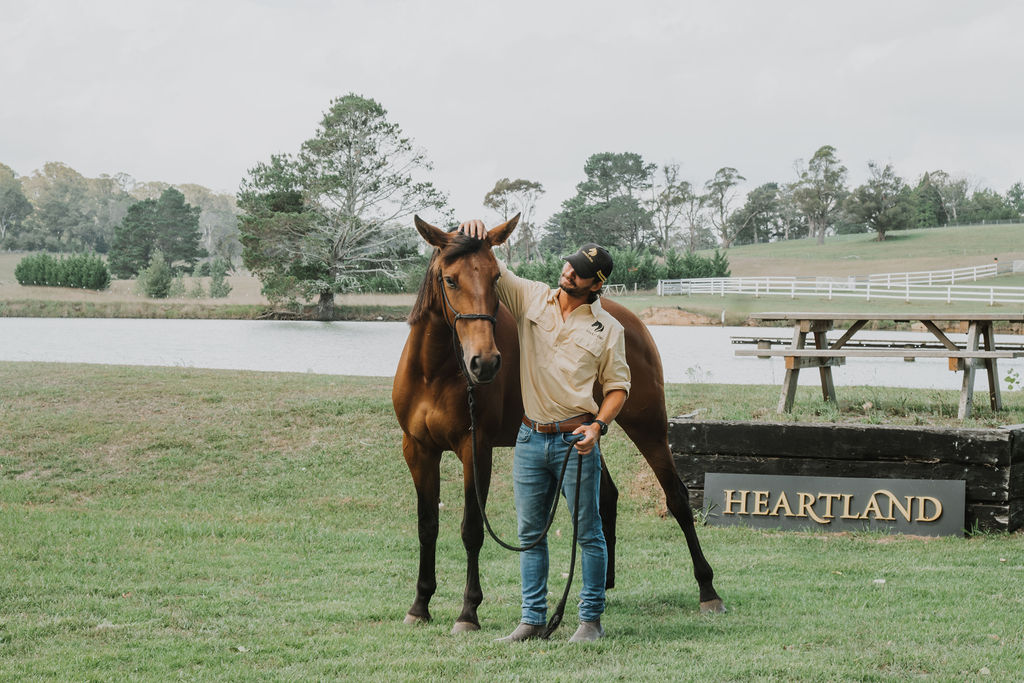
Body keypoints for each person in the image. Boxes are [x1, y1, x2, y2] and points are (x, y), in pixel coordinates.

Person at [458, 220, 630, 643]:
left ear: (596, 284)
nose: (568, 272)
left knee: (588, 533)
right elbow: (488, 267)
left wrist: (598, 426)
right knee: (529, 534)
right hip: (530, 438)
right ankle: (532, 620)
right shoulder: (531, 297)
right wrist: (477, 231)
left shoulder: (609, 330)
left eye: (579, 272)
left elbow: (618, 388)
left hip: (577, 442)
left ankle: (590, 621)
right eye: (569, 265)